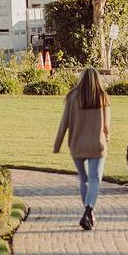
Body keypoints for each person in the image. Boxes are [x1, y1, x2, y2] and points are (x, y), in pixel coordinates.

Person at [52, 67, 110, 230]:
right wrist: (107, 139)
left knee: (84, 179)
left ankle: (88, 213)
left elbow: (64, 123)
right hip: (97, 145)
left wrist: (57, 145)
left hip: (77, 145)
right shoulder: (102, 97)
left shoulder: (72, 97)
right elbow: (106, 126)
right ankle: (89, 210)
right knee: (94, 180)